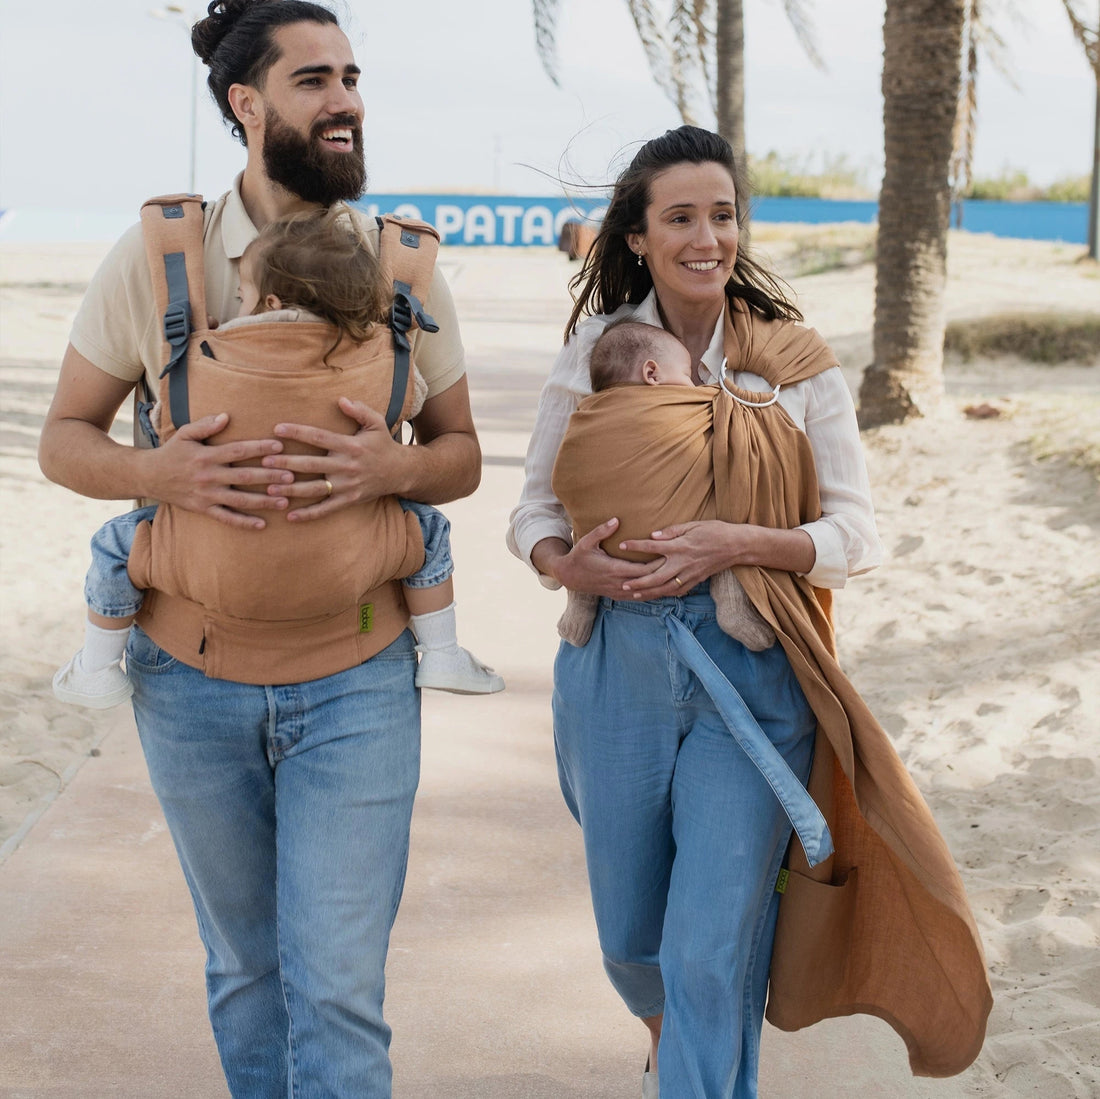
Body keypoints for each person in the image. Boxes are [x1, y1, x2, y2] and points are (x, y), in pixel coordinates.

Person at [38, 3, 482, 1095]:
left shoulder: (405, 271)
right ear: (246, 105)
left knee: (333, 982)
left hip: (361, 679)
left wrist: (394, 470)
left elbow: (460, 455)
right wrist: (159, 473)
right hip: (187, 683)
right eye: (314, 81)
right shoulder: (159, 258)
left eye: (351, 77)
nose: (345, 101)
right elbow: (64, 439)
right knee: (244, 970)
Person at [507, 125, 991, 1098]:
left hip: (752, 681)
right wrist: (568, 564)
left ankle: (695, 1070)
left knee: (709, 949)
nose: (705, 237)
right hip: (615, 677)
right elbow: (532, 509)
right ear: (636, 237)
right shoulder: (597, 352)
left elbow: (855, 533)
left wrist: (736, 542)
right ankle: (674, 1038)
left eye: (721, 215)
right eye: (678, 217)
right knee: (631, 940)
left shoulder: (794, 365)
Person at [51, 208, 503, 711]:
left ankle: (96, 667)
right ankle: (441, 651)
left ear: (267, 299)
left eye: (244, 298)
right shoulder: (379, 359)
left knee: (116, 547)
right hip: (289, 619)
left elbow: (161, 417)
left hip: (303, 632)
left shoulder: (201, 361)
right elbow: (415, 402)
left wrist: (158, 469)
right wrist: (395, 462)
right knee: (429, 533)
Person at [555, 318, 777, 653]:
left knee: (586, 520)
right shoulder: (693, 403)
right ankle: (732, 605)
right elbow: (730, 416)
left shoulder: (587, 412)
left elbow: (568, 470)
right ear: (652, 374)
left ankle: (580, 606)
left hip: (607, 548)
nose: (693, 384)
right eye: (687, 375)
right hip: (679, 539)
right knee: (728, 507)